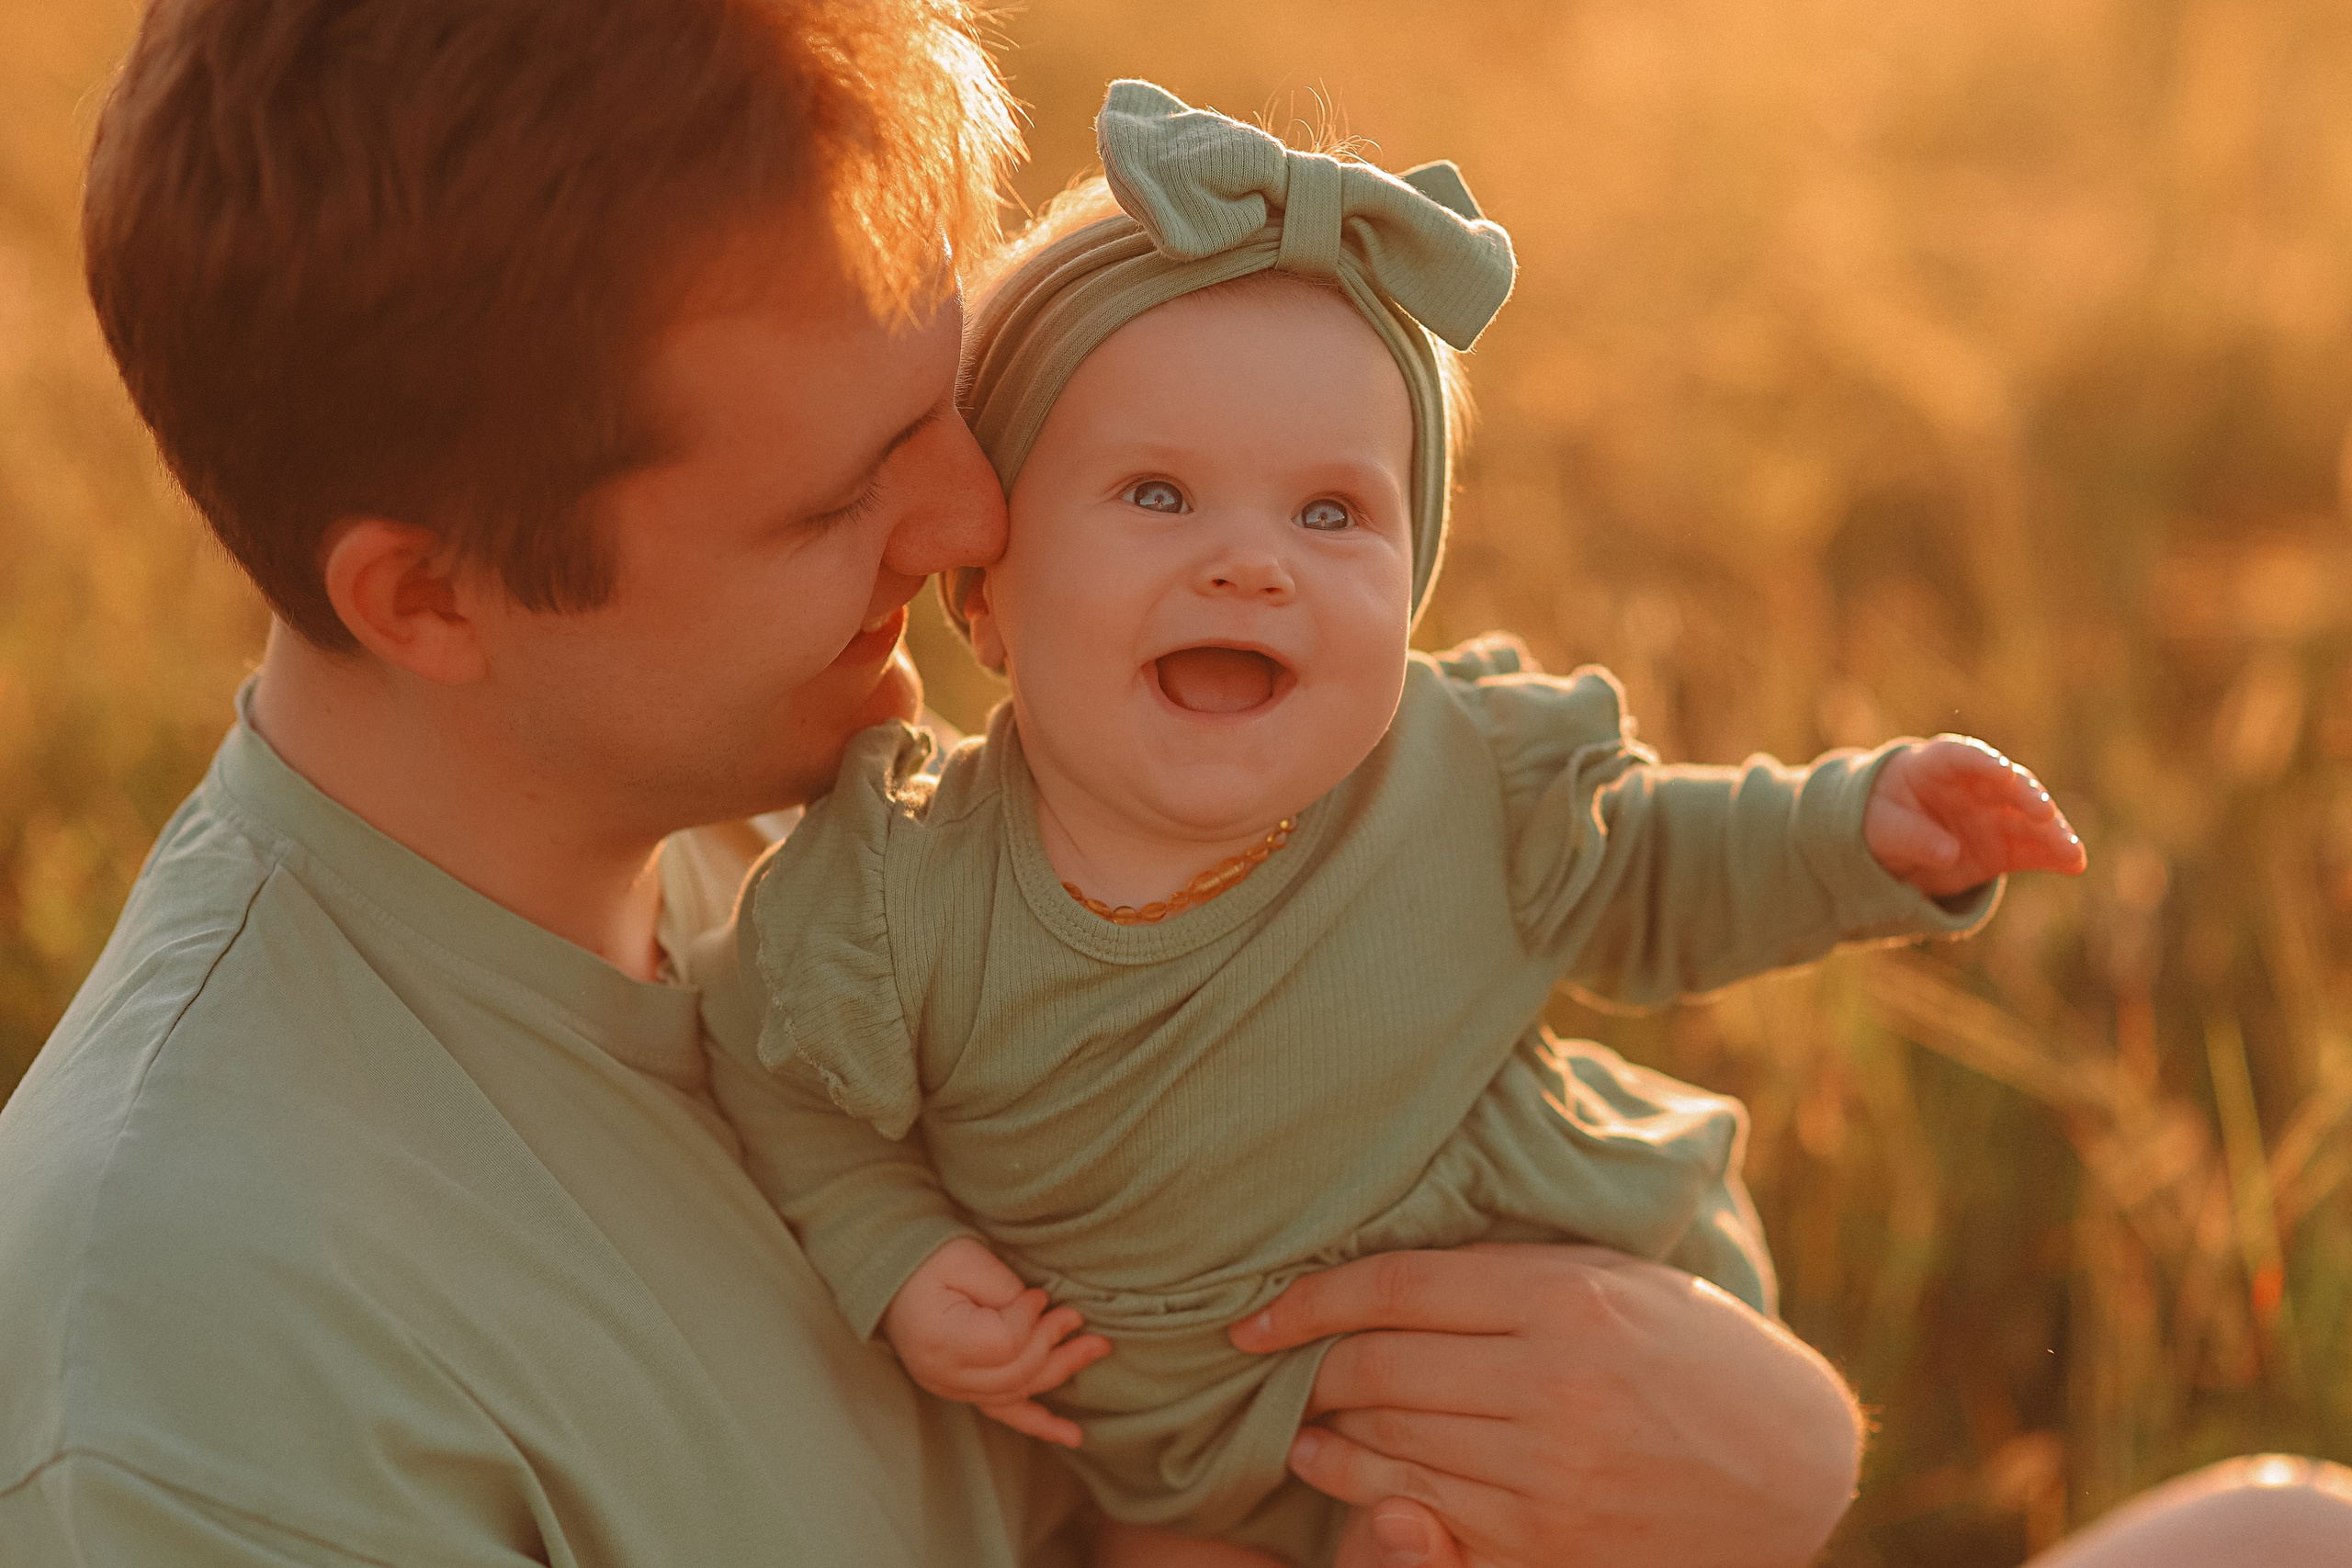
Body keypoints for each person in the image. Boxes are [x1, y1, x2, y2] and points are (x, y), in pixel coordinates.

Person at [0, 4, 1869, 1567]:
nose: (977, 517)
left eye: (944, 408)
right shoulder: (206, 1374)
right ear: (426, 594)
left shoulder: (832, 845)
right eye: (834, 495)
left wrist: (1749, 1433)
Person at [695, 81, 2086, 1566]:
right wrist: (896, 1252)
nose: (1251, 566)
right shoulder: (904, 896)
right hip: (1199, 1471)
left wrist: (1858, 833)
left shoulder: (1461, 779)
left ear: (1414, 588)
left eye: (1332, 515)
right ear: (988, 591)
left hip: (1569, 1350)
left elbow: (1664, 868)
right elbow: (778, 1074)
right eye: (1157, 495)